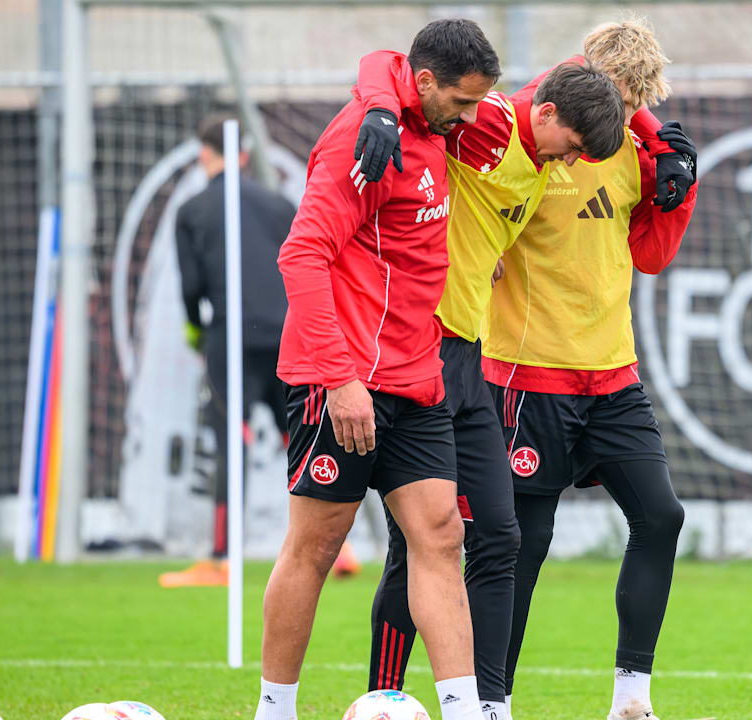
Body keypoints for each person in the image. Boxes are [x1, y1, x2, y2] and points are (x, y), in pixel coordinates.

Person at [352, 53, 628, 720]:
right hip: (420, 350)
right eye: (572, 146)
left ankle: (487, 706)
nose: (570, 162)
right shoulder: (493, 126)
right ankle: (384, 697)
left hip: (468, 358)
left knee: (500, 537)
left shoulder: (542, 145)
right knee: (415, 541)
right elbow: (394, 64)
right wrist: (380, 109)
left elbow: (588, 75)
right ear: (547, 114)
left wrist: (651, 130)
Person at [254, 19, 501, 720]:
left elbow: (554, 88)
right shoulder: (361, 142)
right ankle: (274, 710)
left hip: (416, 377)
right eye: (462, 101)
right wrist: (339, 380)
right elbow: (301, 256)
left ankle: (464, 711)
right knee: (316, 546)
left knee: (441, 535)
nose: (471, 117)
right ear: (424, 82)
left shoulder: (425, 120)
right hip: (344, 381)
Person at [484, 20, 696, 720]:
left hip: (612, 376)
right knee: (524, 543)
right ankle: (491, 703)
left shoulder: (636, 145)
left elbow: (651, 256)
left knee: (661, 516)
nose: (624, 113)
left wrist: (680, 183)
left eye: (636, 104)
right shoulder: (529, 130)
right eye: (618, 97)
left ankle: (632, 698)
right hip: (528, 375)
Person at [165, 114, 295, 588]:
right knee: (301, 440)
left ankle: (223, 558)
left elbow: (192, 287)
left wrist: (196, 331)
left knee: (232, 440)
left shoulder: (192, 211)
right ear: (242, 155)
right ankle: (336, 548)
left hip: (230, 339)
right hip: (286, 337)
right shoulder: (279, 205)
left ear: (204, 154)